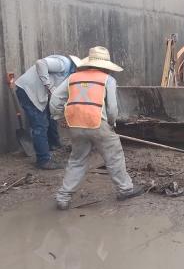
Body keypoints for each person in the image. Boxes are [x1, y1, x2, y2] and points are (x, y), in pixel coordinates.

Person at [50, 46, 144, 210]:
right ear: (105, 65)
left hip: (76, 125)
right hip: (98, 124)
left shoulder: (72, 78)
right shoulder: (107, 80)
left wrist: (60, 117)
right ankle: (125, 189)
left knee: (77, 160)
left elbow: (55, 100)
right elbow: (113, 109)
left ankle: (63, 197)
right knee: (114, 156)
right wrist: (112, 123)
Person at [15, 54, 81, 169]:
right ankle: (43, 160)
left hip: (38, 93)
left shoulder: (69, 75)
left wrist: (63, 114)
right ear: (77, 68)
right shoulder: (63, 64)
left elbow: (61, 96)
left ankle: (53, 144)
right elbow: (41, 63)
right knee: (39, 125)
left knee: (51, 117)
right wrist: (48, 86)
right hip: (28, 90)